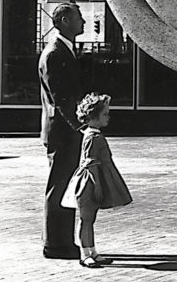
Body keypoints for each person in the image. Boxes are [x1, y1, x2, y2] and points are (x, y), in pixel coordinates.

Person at [61, 93, 133, 268]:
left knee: (89, 219)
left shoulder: (92, 134)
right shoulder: (94, 137)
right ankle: (85, 254)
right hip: (89, 183)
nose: (108, 117)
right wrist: (98, 186)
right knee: (86, 219)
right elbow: (90, 163)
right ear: (94, 116)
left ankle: (92, 250)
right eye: (105, 114)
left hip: (92, 181)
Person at [38, 2, 86, 260]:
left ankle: (61, 242)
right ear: (65, 20)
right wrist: (82, 126)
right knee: (59, 186)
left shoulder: (63, 50)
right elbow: (62, 98)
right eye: (79, 17)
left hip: (65, 131)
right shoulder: (55, 53)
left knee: (64, 186)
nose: (84, 22)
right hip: (63, 132)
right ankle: (55, 245)